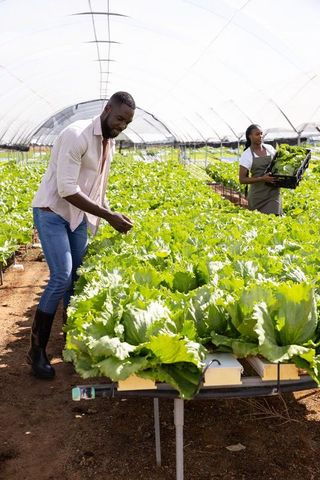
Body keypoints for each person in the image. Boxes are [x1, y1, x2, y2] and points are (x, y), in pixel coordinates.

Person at [28, 91, 135, 379]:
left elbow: (96, 188)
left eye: (127, 122)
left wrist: (111, 212)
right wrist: (107, 216)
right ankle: (36, 351)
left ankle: (71, 342)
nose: (122, 125)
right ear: (107, 108)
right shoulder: (76, 135)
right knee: (61, 275)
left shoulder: (108, 143)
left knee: (78, 276)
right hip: (52, 211)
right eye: (120, 118)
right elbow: (66, 189)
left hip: (78, 217)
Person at [239, 124, 282, 214]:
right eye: (257, 134)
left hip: (273, 193)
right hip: (257, 195)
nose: (261, 136)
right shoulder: (247, 155)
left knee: (274, 219)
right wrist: (262, 178)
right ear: (250, 136)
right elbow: (242, 179)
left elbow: (279, 166)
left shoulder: (270, 149)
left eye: (262, 134)